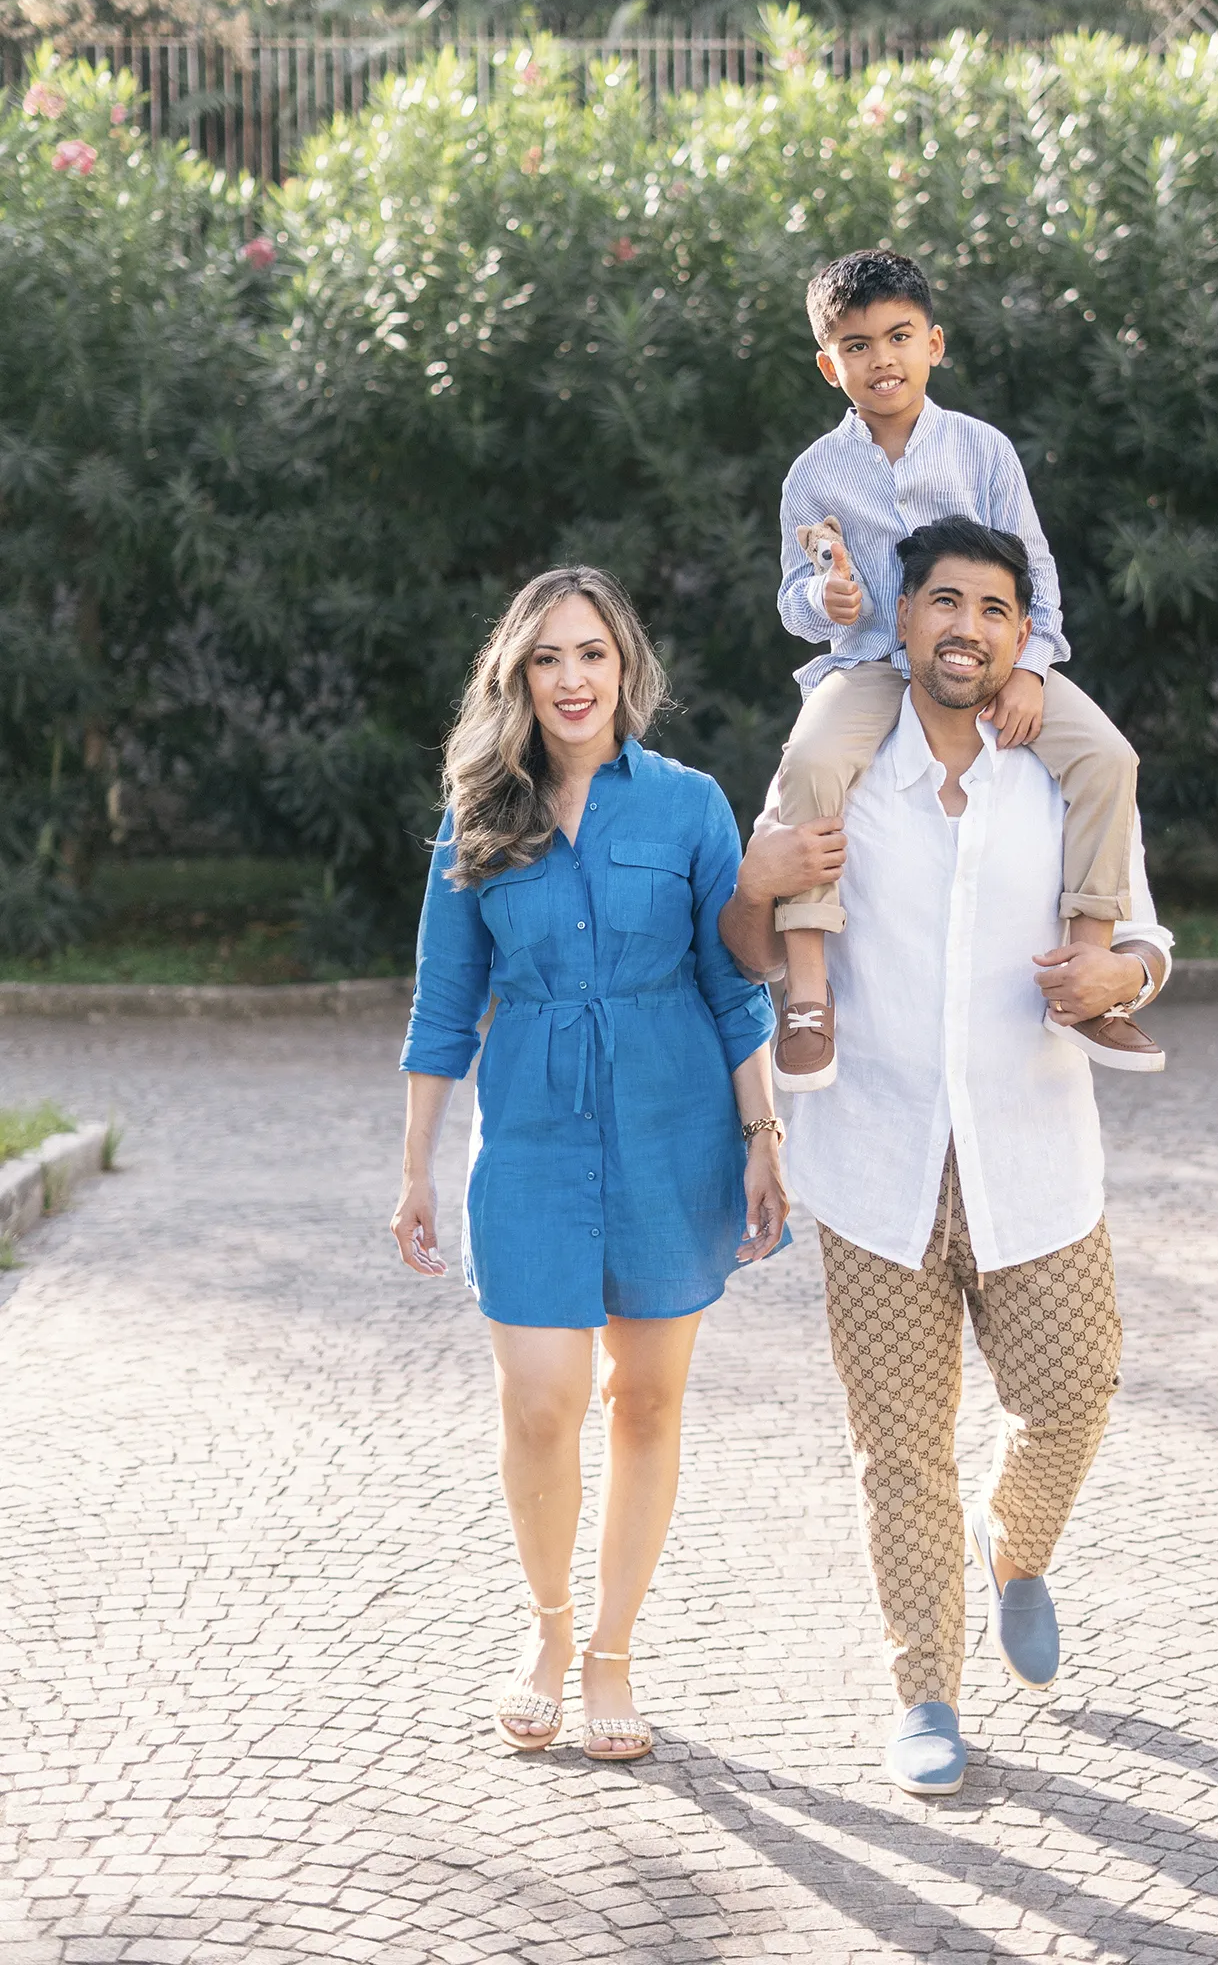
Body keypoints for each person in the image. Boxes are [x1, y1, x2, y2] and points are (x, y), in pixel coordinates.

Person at [721, 517, 1172, 1798]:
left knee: (1076, 1391)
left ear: (1020, 636)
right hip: (872, 1162)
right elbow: (749, 943)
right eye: (941, 604)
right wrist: (755, 880)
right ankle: (925, 1689)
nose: (964, 627)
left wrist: (1120, 968)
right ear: (901, 623)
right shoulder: (841, 765)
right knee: (900, 1448)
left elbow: (1145, 933)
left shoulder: (1062, 775)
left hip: (1035, 1154)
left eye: (991, 609)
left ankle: (1013, 1544)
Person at [391, 566, 787, 1764]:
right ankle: (548, 1629)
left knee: (649, 1399)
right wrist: (413, 1168)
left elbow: (733, 986)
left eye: (591, 655)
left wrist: (764, 1138)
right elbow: (444, 1003)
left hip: (677, 1132)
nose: (571, 679)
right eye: (547, 659)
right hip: (531, 1142)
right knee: (543, 1399)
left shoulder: (688, 807)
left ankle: (613, 1650)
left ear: (627, 670)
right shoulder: (478, 812)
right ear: (517, 676)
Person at [770, 247, 1160, 1092]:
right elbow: (793, 596)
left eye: (899, 336)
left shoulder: (982, 451)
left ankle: (1089, 980)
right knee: (809, 761)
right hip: (872, 665)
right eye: (858, 344)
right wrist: (823, 602)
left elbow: (1036, 570)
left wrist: (1035, 666)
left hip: (989, 664)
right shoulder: (813, 475)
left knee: (1108, 758)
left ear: (935, 344)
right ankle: (806, 993)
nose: (882, 359)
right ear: (828, 364)